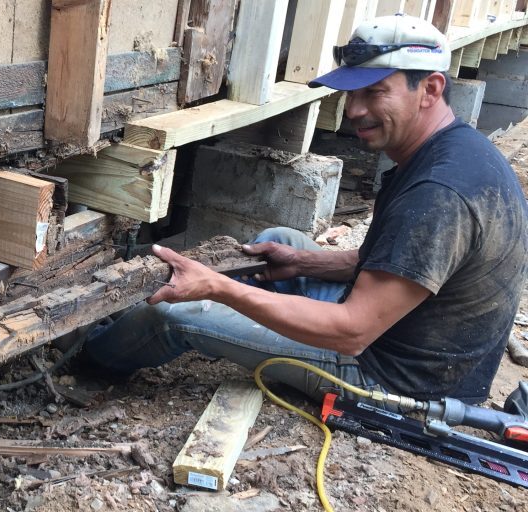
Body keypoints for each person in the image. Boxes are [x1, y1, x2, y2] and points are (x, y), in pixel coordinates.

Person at [82, 14, 528, 404]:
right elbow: (405, 262)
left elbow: (352, 333)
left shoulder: (439, 192)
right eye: (350, 94)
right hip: (409, 334)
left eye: (374, 92)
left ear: (429, 89)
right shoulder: (451, 150)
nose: (354, 110)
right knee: (278, 242)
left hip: (395, 380)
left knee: (175, 316)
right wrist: (303, 261)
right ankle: (243, 310)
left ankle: (88, 359)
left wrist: (217, 289)